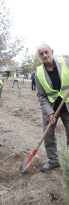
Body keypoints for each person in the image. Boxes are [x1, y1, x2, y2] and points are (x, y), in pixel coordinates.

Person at [35, 44, 69, 172]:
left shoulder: (65, 62)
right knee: (48, 134)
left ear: (52, 52)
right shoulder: (39, 73)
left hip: (67, 106)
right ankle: (53, 160)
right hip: (51, 107)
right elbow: (41, 96)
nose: (45, 55)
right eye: (41, 54)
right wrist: (49, 113)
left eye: (46, 52)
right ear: (39, 56)